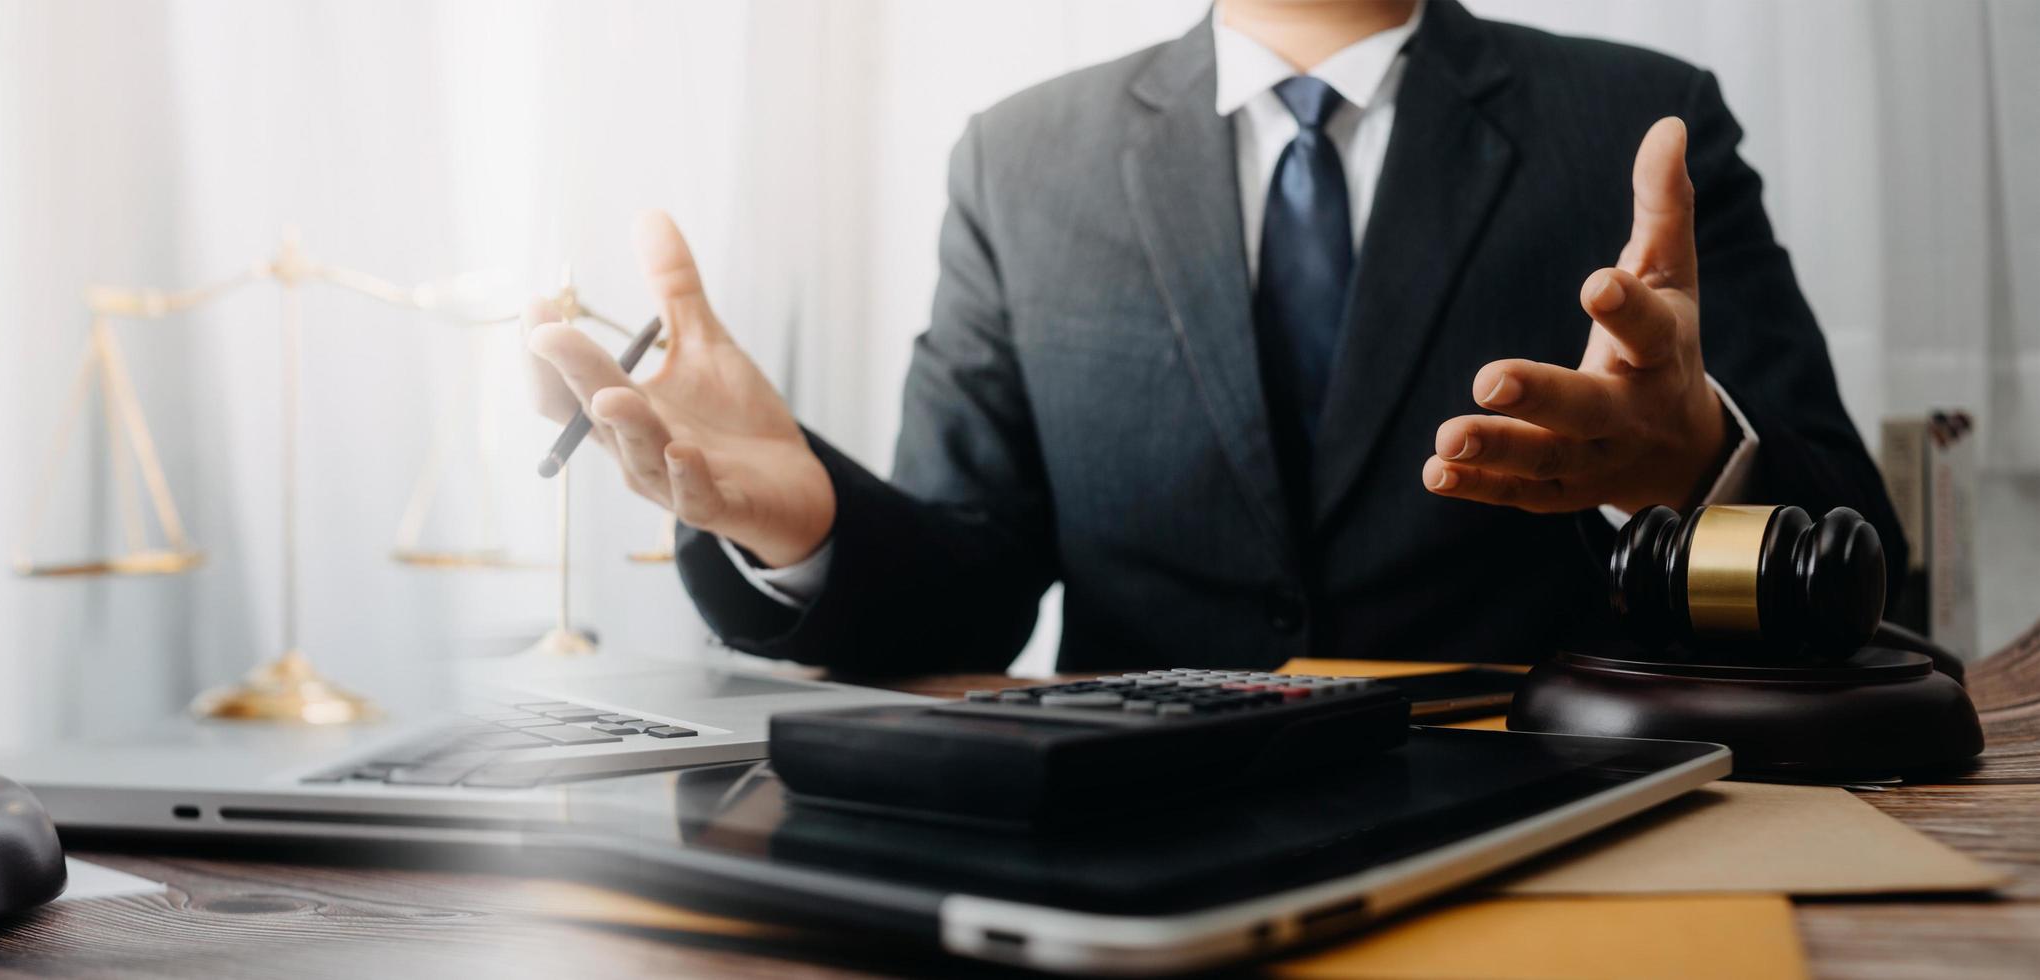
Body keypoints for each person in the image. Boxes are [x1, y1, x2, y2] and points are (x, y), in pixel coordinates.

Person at [529, 0, 1898, 676]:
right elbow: (973, 587)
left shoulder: (1639, 123)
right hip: (1125, 858)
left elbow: (1860, 552)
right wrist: (808, 521)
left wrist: (1695, 468)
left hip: (1554, 841)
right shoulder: (1022, 160)